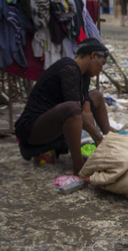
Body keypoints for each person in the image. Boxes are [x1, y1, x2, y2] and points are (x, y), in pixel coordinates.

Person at [14, 38, 111, 175]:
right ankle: (79, 167)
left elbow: (86, 110)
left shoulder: (84, 75)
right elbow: (77, 110)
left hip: (54, 127)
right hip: (33, 129)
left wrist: (104, 141)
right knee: (72, 109)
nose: (100, 69)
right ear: (93, 55)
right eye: (101, 64)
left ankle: (112, 138)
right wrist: (98, 138)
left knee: (96, 96)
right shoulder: (68, 67)